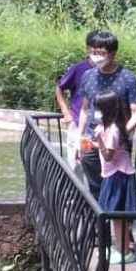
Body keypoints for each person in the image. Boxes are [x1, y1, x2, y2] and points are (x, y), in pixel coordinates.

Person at [76, 31, 136, 199]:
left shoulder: (128, 78)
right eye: (92, 51)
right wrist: (79, 136)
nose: (95, 56)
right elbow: (85, 109)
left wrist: (119, 134)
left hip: (116, 144)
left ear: (113, 53)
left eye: (100, 53)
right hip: (91, 139)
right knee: (94, 187)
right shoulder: (87, 76)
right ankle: (99, 224)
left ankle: (120, 223)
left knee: (115, 187)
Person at [94, 89, 136, 264]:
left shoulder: (113, 129)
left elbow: (108, 155)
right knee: (116, 216)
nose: (96, 112)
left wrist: (98, 141)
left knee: (117, 215)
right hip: (114, 173)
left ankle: (124, 252)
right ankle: (120, 248)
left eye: (98, 108)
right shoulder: (109, 127)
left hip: (118, 175)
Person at [55, 30, 100, 168]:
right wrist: (66, 113)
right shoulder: (78, 69)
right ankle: (76, 190)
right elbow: (59, 87)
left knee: (96, 164)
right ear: (88, 49)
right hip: (77, 120)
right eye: (96, 48)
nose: (99, 52)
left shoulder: (107, 70)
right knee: (77, 163)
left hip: (98, 124)